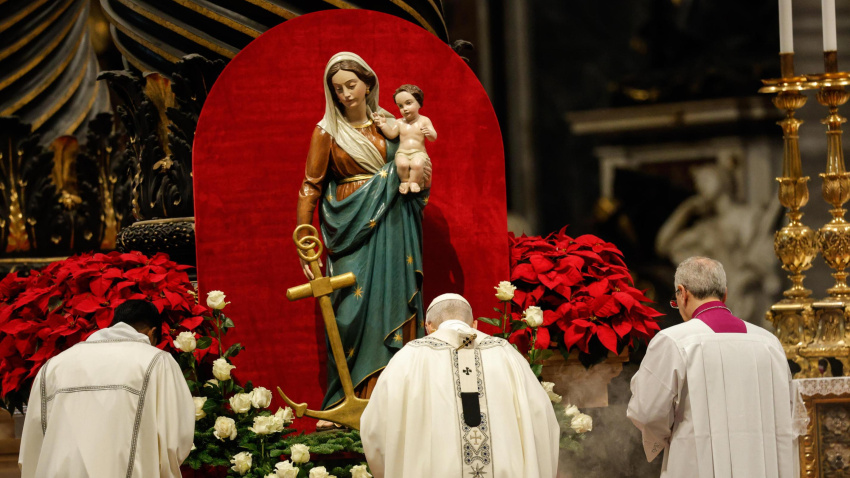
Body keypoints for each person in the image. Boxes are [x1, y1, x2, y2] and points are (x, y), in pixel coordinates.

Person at [297, 52, 430, 414]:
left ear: (368, 83)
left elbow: (414, 159)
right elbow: (311, 185)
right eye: (337, 89)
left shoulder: (388, 123)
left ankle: (397, 402)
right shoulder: (327, 132)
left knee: (395, 301)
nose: (345, 94)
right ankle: (348, 401)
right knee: (350, 315)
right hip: (349, 227)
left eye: (351, 85)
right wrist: (305, 242)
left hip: (394, 224)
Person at [627, 257, 803, 478]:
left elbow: (647, 412)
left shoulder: (673, 341)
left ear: (683, 293)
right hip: (760, 466)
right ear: (725, 294)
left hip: (696, 466)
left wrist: (662, 435)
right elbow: (786, 417)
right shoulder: (768, 343)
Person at [360, 293, 560, 478]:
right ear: (474, 323)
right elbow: (542, 419)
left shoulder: (408, 357)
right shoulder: (507, 354)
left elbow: (375, 428)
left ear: (428, 326)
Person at [18, 300, 195, 477]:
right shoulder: (156, 361)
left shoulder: (54, 366)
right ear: (153, 332)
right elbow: (176, 438)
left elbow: (33, 444)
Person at [373, 84, 437, 194]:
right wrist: (383, 125)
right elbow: (391, 134)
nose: (405, 109)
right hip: (402, 152)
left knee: (417, 165)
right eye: (400, 106)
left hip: (419, 152)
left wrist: (430, 133)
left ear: (418, 103)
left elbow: (433, 138)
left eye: (408, 103)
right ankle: (404, 181)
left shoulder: (424, 120)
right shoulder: (399, 122)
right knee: (402, 165)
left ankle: (414, 182)